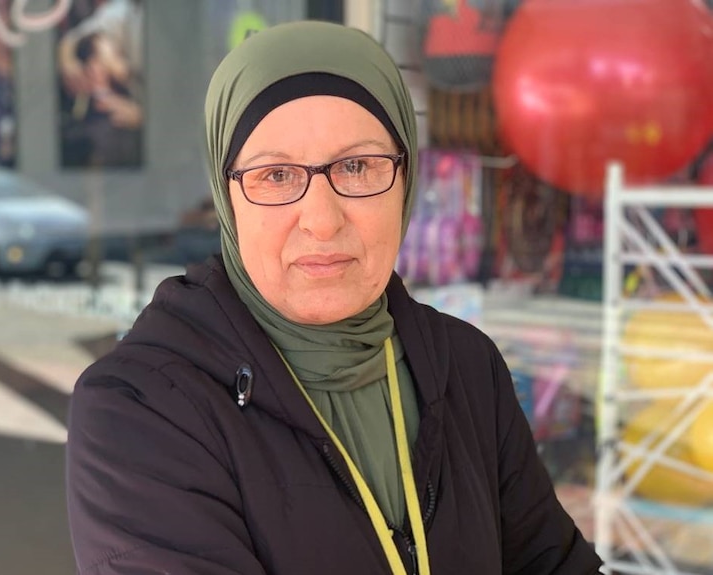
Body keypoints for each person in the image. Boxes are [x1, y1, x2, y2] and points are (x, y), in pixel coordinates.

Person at [66, 20, 603, 575]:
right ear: (227, 198)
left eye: (356, 166)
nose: (321, 222)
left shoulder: (466, 368)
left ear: (406, 181)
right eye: (275, 174)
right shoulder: (141, 408)